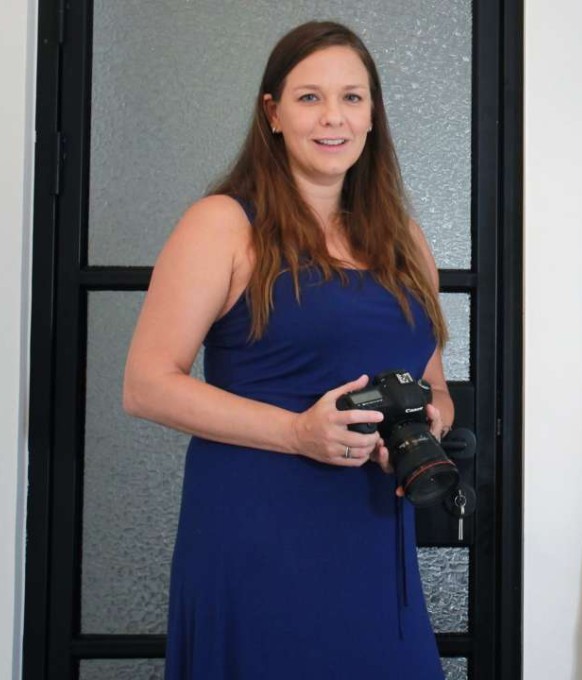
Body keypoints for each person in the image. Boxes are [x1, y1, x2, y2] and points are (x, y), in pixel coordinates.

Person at [123, 21, 451, 679]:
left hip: (371, 533)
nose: (334, 117)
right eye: (309, 98)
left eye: (352, 98)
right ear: (271, 113)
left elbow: (433, 385)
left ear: (373, 113)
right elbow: (146, 384)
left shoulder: (405, 240)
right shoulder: (222, 223)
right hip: (256, 530)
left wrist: (426, 422)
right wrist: (298, 433)